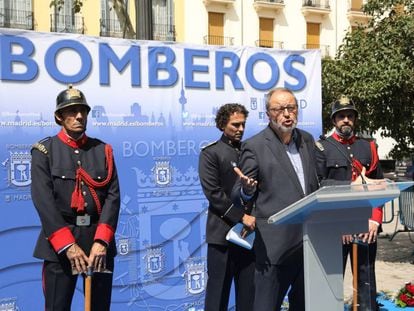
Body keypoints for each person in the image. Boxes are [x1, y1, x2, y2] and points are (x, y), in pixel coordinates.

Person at [31, 85, 121, 311]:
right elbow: (43, 202)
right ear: (59, 117)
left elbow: (113, 196)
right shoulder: (44, 151)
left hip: (97, 244)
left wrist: (101, 241)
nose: (79, 116)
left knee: (100, 307)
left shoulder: (103, 150)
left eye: (83, 110)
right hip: (61, 245)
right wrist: (68, 246)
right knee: (57, 307)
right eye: (72, 111)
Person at [232, 88, 319, 311]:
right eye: (280, 109)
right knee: (266, 305)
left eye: (291, 108)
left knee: (305, 304)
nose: (287, 114)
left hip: (309, 242)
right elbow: (239, 193)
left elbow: (316, 184)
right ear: (269, 113)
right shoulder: (255, 146)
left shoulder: (307, 140)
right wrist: (247, 190)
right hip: (274, 246)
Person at [315, 95, 384, 311]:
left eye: (350, 116)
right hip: (335, 228)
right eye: (341, 116)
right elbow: (318, 187)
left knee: (366, 281)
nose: (346, 120)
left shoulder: (368, 146)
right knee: (332, 281)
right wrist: (338, 223)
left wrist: (375, 220)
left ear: (355, 119)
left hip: (365, 225)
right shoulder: (322, 148)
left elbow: (378, 186)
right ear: (334, 120)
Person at [199, 103, 256, 311]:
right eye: (235, 125)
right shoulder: (210, 153)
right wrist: (242, 217)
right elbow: (214, 194)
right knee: (217, 297)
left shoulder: (250, 151)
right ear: (223, 124)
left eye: (243, 124)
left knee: (249, 298)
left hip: (249, 236)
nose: (240, 129)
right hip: (221, 236)